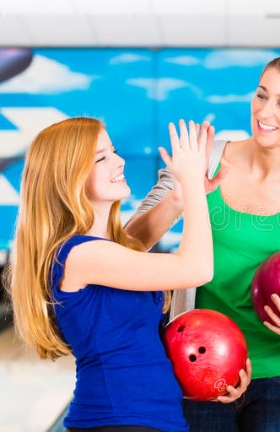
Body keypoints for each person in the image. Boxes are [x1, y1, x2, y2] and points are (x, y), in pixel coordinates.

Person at [126, 52, 280, 431]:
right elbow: (130, 244)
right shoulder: (206, 159)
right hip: (199, 370)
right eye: (262, 94)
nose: (265, 111)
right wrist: (181, 194)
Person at [4, 118, 251, 431]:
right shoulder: (79, 256)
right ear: (70, 178)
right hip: (119, 420)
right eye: (101, 157)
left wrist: (180, 196)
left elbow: (136, 239)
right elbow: (196, 268)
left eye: (114, 151)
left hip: (145, 418)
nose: (119, 160)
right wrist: (191, 189)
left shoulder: (104, 250)